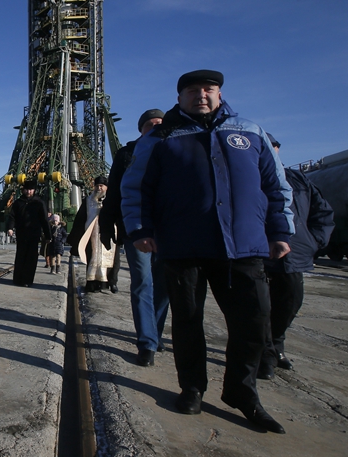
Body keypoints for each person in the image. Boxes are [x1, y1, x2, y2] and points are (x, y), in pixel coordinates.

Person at [121, 69, 293, 434]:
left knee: (254, 320)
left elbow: (276, 186)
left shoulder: (249, 131)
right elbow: (136, 187)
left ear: (219, 94)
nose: (202, 95)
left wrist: (281, 230)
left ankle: (242, 393)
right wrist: (140, 230)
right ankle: (193, 387)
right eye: (193, 90)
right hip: (184, 244)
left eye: (209, 89)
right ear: (180, 97)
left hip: (243, 244)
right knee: (188, 320)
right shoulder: (162, 137)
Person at [99, 109, 170, 367]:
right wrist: (106, 224)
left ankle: (156, 332)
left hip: (169, 228)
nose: (157, 126)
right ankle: (147, 342)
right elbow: (116, 190)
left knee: (164, 286)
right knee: (142, 282)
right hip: (136, 227)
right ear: (141, 128)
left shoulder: (173, 148)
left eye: (161, 123)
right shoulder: (127, 153)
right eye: (151, 124)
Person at [260, 134, 334, 377]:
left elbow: (322, 212)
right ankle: (266, 354)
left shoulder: (299, 180)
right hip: (257, 253)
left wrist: (315, 241)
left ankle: (275, 345)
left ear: (278, 149)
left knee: (289, 303)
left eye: (270, 147)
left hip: (294, 254)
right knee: (258, 306)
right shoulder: (247, 178)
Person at [67, 176, 118, 293]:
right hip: (91, 234)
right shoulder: (88, 200)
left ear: (106, 187)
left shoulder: (112, 199)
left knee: (110, 260)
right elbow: (81, 218)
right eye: (97, 186)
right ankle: (91, 284)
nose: (99, 188)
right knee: (91, 258)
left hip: (109, 233)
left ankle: (110, 283)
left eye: (101, 186)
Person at [6, 180, 51, 286]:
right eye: (26, 190)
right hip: (21, 234)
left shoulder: (39, 203)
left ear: (34, 190)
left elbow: (44, 220)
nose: (28, 192)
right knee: (20, 257)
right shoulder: (18, 202)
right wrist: (10, 228)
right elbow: (12, 216)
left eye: (30, 190)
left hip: (34, 234)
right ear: (23, 190)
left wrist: (48, 235)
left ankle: (27, 280)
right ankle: (17, 279)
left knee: (31, 258)